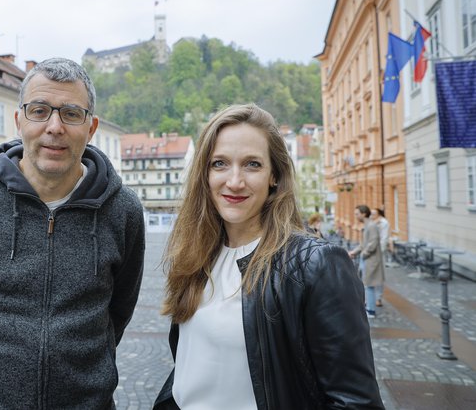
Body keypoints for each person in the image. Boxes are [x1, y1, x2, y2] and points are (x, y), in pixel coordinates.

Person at [0, 58, 145, 409]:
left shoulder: (123, 210)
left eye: (71, 113)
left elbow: (120, 307)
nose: (54, 127)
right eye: (39, 111)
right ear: (19, 121)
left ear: (91, 127)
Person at [154, 104, 383, 409]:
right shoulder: (196, 256)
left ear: (274, 175)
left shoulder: (316, 265)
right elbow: (191, 365)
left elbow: (356, 402)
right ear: (205, 174)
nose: (234, 181)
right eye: (220, 163)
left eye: (252, 165)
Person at [349, 205, 385, 319]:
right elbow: (363, 244)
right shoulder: (367, 225)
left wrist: (363, 254)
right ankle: (369, 308)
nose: (355, 216)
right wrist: (353, 252)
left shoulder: (371, 225)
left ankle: (371, 310)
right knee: (367, 284)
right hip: (367, 259)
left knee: (369, 285)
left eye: (357, 214)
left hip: (371, 260)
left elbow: (372, 244)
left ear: (364, 214)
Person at [371, 207, 390, 306]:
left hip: (378, 253)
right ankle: (370, 298)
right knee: (369, 276)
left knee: (379, 276)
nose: (372, 215)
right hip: (370, 253)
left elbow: (384, 238)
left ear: (379, 214)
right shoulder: (371, 222)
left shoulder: (384, 223)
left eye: (374, 213)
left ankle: (378, 298)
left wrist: (379, 252)